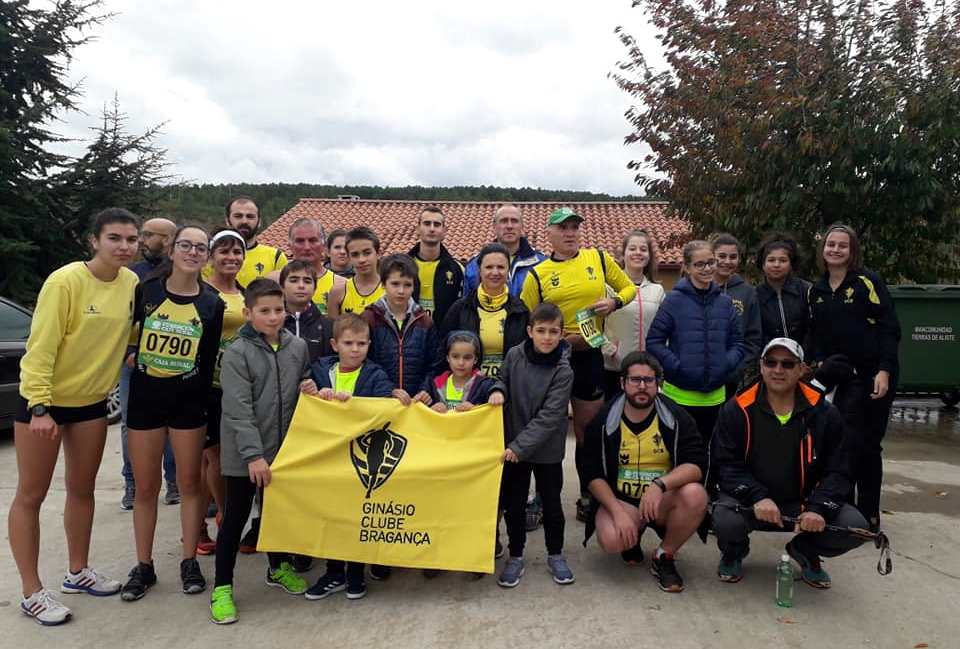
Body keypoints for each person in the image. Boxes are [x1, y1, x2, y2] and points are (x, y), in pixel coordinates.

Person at [11, 208, 140, 625]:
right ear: (94, 241)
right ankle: (31, 591)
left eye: (131, 239)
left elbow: (129, 334)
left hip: (90, 402)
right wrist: (40, 407)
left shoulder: (132, 282)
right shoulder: (65, 281)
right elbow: (41, 346)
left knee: (81, 489)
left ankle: (78, 572)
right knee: (32, 495)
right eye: (115, 238)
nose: (124, 246)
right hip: (44, 402)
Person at [121, 225, 225, 601]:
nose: (193, 252)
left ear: (206, 256)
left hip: (188, 404)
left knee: (189, 485)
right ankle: (144, 564)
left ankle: (188, 560)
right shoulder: (145, 290)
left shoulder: (213, 303)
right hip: (146, 401)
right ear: (173, 249)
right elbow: (126, 337)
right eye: (186, 245)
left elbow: (208, 356)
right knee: (147, 487)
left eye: (201, 248)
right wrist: (131, 355)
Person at [712, 338, 868, 588]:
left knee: (856, 527)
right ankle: (734, 552)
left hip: (804, 503)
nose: (778, 369)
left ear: (801, 370)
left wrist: (818, 508)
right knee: (724, 519)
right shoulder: (736, 409)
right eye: (771, 362)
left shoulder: (825, 413)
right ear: (761, 367)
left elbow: (840, 471)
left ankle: (805, 549)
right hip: (753, 502)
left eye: (787, 364)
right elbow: (726, 465)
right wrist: (757, 496)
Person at [519, 207, 637, 522]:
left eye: (574, 227)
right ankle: (543, 499)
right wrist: (554, 341)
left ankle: (588, 495)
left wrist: (614, 302)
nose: (570, 233)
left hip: (589, 358)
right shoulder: (537, 274)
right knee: (548, 430)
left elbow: (629, 288)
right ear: (549, 234)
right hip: (552, 360)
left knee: (588, 431)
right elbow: (525, 323)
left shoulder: (597, 258)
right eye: (563, 228)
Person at [209, 279, 312, 624]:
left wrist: (311, 385)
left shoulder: (297, 347)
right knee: (235, 518)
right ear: (248, 313)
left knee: (276, 514)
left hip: (284, 451)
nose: (273, 317)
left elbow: (303, 385)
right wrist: (254, 455)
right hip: (245, 454)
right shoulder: (237, 352)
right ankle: (222, 587)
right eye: (264, 311)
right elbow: (237, 409)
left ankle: (278, 567)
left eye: (278, 310)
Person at [581, 351, 708, 592]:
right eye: (635, 380)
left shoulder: (676, 417)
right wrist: (617, 511)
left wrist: (660, 485)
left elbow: (696, 465)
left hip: (662, 501)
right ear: (622, 383)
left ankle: (664, 555)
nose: (642, 386)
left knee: (696, 495)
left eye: (649, 381)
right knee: (611, 539)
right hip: (623, 501)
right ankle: (632, 534)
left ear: (658, 384)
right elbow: (592, 474)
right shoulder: (604, 419)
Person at [808, 224, 900, 532]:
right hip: (841, 378)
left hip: (874, 377)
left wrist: (884, 371)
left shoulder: (867, 282)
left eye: (842, 245)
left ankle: (869, 515)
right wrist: (820, 361)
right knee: (841, 442)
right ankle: (843, 509)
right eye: (830, 244)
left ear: (852, 251)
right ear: (823, 250)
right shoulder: (816, 290)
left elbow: (890, 328)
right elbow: (816, 333)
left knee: (867, 445)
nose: (835, 249)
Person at [300, 313, 398, 601]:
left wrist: (354, 403)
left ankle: (355, 573)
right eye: (348, 343)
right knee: (331, 516)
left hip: (359, 461)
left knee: (358, 517)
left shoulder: (375, 374)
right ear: (334, 344)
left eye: (361, 343)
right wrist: (312, 391)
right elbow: (306, 400)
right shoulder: (319, 371)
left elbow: (384, 407)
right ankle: (333, 572)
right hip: (327, 459)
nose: (355, 349)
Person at [493, 303, 575, 588]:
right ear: (530, 331)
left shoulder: (564, 371)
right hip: (514, 447)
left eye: (554, 332)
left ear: (562, 334)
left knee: (552, 504)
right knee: (514, 505)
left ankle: (556, 554)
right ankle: (515, 556)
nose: (547, 337)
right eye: (541, 331)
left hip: (545, 450)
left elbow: (551, 416)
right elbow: (502, 379)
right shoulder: (515, 355)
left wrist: (519, 446)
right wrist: (497, 391)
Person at [646, 240, 745, 444]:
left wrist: (724, 364)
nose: (707, 268)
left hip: (716, 396)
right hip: (679, 395)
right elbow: (654, 341)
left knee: (710, 454)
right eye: (700, 264)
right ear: (687, 267)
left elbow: (737, 343)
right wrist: (677, 367)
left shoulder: (725, 303)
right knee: (680, 451)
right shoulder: (673, 300)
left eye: (711, 262)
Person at [120, 217, 179, 511]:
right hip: (133, 362)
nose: (142, 240)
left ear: (167, 240)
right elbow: (123, 319)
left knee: (172, 423)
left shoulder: (180, 272)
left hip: (170, 361)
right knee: (131, 423)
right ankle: (131, 481)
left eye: (148, 235)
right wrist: (130, 351)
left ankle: (174, 481)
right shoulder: (131, 274)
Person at [196, 228, 247, 556]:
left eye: (237, 252)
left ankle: (209, 519)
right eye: (224, 251)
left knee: (220, 457)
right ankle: (223, 517)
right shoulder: (201, 292)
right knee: (214, 456)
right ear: (211, 256)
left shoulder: (244, 293)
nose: (231, 257)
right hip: (207, 384)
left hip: (237, 385)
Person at [440, 243, 529, 379]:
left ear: (508, 271)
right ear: (479, 270)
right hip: (469, 392)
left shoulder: (521, 311)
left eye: (500, 267)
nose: (495, 272)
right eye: (489, 267)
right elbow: (442, 353)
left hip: (509, 389)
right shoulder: (459, 309)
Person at [362, 253, 440, 405]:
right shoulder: (368, 318)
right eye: (395, 284)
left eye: (407, 285)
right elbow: (362, 362)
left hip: (415, 403)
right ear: (383, 284)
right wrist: (387, 389)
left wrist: (425, 390)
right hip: (379, 401)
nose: (401, 291)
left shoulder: (425, 321)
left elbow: (434, 365)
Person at [602, 229, 666, 400]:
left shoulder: (657, 291)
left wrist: (660, 355)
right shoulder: (607, 288)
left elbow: (665, 329)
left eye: (643, 249)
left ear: (649, 256)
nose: (638, 253)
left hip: (647, 371)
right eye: (632, 248)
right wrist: (609, 351)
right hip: (614, 369)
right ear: (623, 254)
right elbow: (589, 325)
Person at [711, 233, 761, 395]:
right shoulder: (700, 288)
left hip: (732, 376)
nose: (727, 261)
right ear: (712, 257)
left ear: (739, 259)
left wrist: (738, 367)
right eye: (722, 256)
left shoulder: (748, 293)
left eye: (733, 257)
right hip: (701, 372)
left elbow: (753, 336)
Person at [462, 204, 547, 296]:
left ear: (522, 226)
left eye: (514, 221)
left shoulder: (541, 263)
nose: (509, 226)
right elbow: (467, 307)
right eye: (504, 221)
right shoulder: (474, 265)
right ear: (494, 226)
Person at [268, 217, 345, 316]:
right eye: (300, 241)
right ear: (289, 245)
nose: (307, 247)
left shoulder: (341, 285)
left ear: (323, 245)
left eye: (313, 240)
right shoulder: (273, 281)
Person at [409, 206, 463, 325]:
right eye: (427, 223)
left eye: (437, 224)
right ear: (418, 228)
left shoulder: (457, 269)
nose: (432, 229)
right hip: (409, 339)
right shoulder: (403, 266)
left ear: (444, 230)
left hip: (444, 339)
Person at [755, 233, 811, 349]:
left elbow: (812, 329)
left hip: (804, 359)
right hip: (770, 360)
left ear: (791, 264)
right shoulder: (755, 295)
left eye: (783, 260)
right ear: (763, 264)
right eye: (771, 260)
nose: (776, 265)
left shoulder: (806, 290)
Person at [222, 196, 288, 287]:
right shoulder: (212, 259)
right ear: (227, 220)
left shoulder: (276, 257)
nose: (244, 221)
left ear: (259, 222)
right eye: (238, 216)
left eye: (250, 217)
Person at [281, 260, 334, 363]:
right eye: (294, 280)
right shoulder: (271, 324)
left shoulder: (328, 327)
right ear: (282, 287)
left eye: (307, 281)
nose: (301, 286)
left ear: (315, 289)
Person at [327, 227, 385, 317]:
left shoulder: (389, 290)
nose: (361, 260)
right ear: (349, 257)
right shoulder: (338, 292)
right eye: (355, 254)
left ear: (378, 254)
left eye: (367, 253)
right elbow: (333, 330)